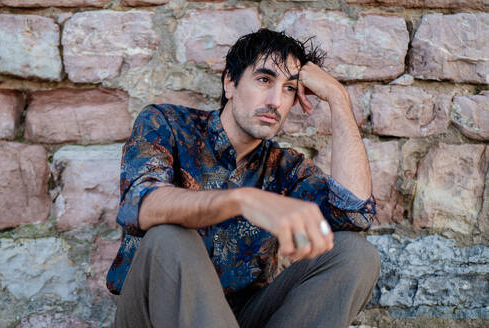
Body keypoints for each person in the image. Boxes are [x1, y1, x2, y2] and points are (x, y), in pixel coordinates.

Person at [107, 28, 380, 328]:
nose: (276, 100)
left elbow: (355, 214)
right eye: (264, 80)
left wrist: (338, 98)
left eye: (289, 88)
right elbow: (140, 204)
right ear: (230, 84)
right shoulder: (167, 124)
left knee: (354, 254)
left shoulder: (285, 168)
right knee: (169, 237)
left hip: (244, 316)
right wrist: (243, 200)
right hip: (157, 315)